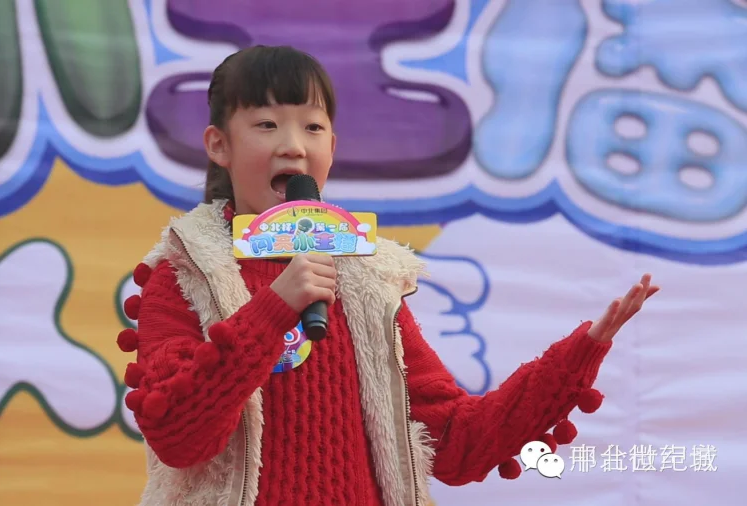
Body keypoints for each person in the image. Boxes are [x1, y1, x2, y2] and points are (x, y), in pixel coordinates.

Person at [116, 45, 659, 506]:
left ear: (332, 148)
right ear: (219, 145)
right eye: (266, 125)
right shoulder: (185, 273)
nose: (293, 145)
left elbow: (457, 443)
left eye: (313, 127)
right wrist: (274, 307)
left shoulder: (369, 282)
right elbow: (178, 435)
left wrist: (578, 354)